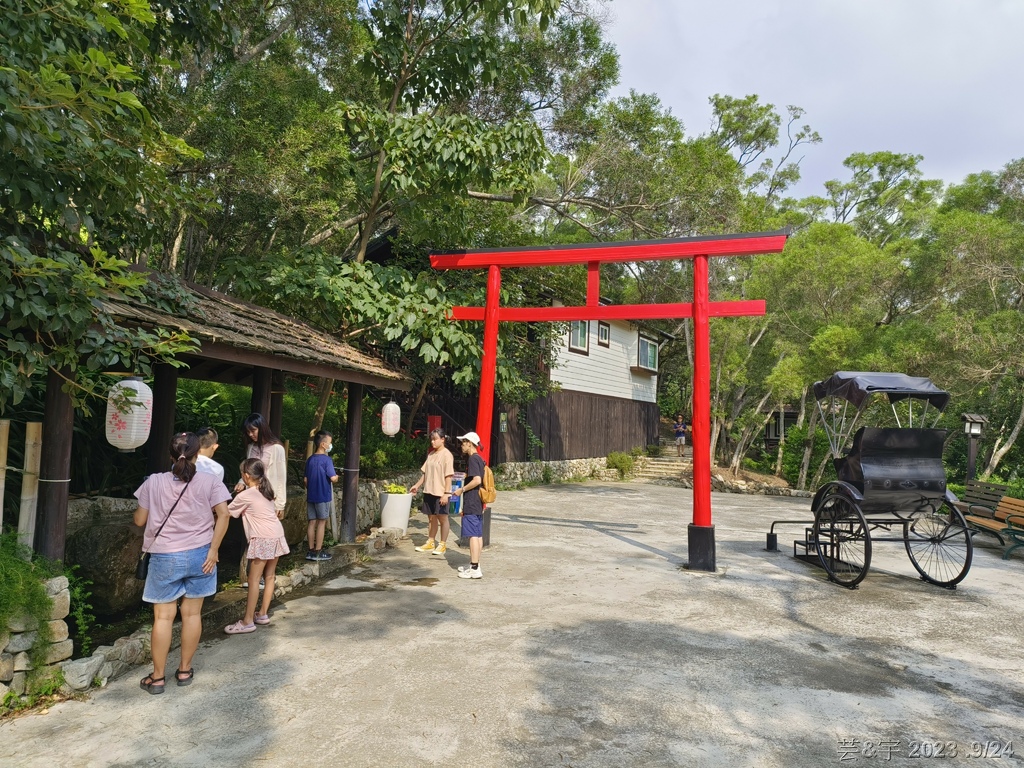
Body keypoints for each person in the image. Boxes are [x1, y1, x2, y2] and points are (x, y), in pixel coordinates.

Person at [134, 432, 232, 694]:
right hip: (202, 556)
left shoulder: (153, 482)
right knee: (191, 615)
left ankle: (157, 679)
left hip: (165, 557)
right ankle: (185, 670)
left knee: (163, 618)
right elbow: (224, 515)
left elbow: (139, 521)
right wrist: (213, 549)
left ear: (169, 455)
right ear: (198, 453)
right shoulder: (211, 482)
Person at [224, 458, 289, 634]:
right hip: (276, 534)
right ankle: (262, 614)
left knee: (253, 580)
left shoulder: (245, 495)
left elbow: (225, 513)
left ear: (246, 476)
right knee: (270, 576)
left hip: (262, 538)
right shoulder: (266, 490)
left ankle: (247, 622)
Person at [235, 413, 286, 584]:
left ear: (262, 428)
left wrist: (280, 504)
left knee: (266, 535)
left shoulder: (276, 448)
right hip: (253, 498)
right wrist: (242, 481)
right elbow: (249, 470)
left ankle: (263, 575)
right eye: (248, 432)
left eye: (253, 430)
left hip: (268, 497)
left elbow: (281, 477)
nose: (251, 435)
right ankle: (254, 575)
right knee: (253, 533)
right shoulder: (251, 448)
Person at [409, 427, 455, 556]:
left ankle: (442, 544)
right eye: (431, 440)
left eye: (435, 439)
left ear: (442, 439)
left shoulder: (447, 455)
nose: (432, 442)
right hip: (429, 490)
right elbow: (425, 473)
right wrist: (417, 485)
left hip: (441, 492)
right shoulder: (431, 454)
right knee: (431, 518)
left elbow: (448, 476)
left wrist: (446, 493)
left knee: (443, 518)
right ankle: (430, 541)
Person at [453, 431, 486, 580]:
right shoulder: (479, 459)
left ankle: (474, 568)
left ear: (470, 443)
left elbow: (477, 480)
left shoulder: (473, 459)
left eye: (463, 442)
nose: (461, 445)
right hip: (478, 501)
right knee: (478, 535)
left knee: (473, 535)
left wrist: (462, 489)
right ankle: (476, 564)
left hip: (472, 501)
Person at [304, 430, 338, 561]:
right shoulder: (327, 460)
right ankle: (318, 551)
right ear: (323, 444)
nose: (330, 445)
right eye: (329, 443)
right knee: (322, 522)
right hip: (323, 495)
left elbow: (305, 480)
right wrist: (336, 477)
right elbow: (333, 478)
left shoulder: (310, 460)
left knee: (311, 522)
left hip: (311, 496)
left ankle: (310, 551)